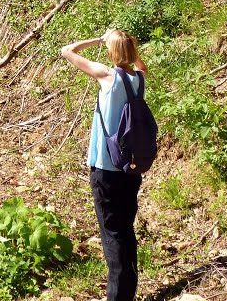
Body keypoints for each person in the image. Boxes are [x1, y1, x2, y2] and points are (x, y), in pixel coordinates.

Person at [60, 29, 149, 301]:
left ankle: (117, 297)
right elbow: (141, 65)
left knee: (112, 233)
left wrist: (99, 38)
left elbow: (67, 50)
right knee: (125, 229)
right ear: (131, 52)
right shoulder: (138, 79)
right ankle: (127, 292)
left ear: (112, 51)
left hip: (106, 169)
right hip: (131, 169)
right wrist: (130, 50)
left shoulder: (108, 76)